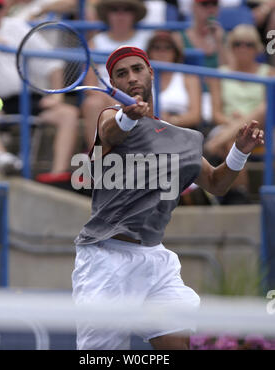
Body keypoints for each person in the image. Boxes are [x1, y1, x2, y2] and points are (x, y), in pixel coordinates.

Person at [71, 45, 264, 350]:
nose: (131, 77)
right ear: (114, 84)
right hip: (105, 259)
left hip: (155, 260)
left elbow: (215, 183)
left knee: (176, 344)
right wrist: (127, 117)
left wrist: (238, 152)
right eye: (122, 74)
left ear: (151, 73)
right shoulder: (111, 117)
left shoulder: (183, 138)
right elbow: (111, 133)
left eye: (137, 69)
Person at [0, 0, 79, 178]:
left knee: (68, 114)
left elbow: (52, 63)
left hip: (25, 98)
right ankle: (3, 157)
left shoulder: (16, 26)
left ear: (5, 7)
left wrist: (57, 96)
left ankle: (57, 177)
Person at [205, 24, 275, 203]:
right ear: (231, 46)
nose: (243, 48)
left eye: (248, 44)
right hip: (227, 126)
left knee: (264, 108)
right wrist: (233, 121)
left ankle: (213, 145)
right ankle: (241, 196)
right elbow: (216, 114)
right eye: (237, 44)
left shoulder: (269, 73)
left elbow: (269, 112)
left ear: (257, 48)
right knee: (234, 140)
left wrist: (244, 121)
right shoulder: (220, 73)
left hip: (263, 127)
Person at [81, 0, 153, 150]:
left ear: (134, 14)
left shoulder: (148, 39)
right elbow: (90, 85)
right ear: (108, 14)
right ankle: (96, 159)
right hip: (105, 100)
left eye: (126, 9)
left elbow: (152, 78)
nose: (120, 14)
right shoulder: (95, 42)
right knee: (92, 103)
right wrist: (117, 99)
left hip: (144, 95)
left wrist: (133, 98)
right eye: (114, 9)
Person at [146, 31, 201, 129]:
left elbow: (195, 116)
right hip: (148, 128)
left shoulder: (189, 78)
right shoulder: (141, 78)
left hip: (180, 131)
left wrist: (170, 121)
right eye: (157, 48)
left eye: (167, 48)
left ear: (175, 52)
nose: (162, 52)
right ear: (149, 52)